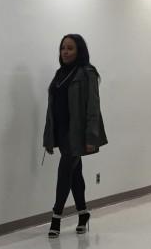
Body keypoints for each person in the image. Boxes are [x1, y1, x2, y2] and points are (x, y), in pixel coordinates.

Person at [42, 34, 107, 237]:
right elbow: (52, 108)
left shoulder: (87, 73)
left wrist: (91, 137)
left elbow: (93, 107)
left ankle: (56, 216)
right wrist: (49, 136)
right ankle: (83, 213)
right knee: (74, 172)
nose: (66, 52)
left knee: (65, 170)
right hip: (61, 132)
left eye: (70, 48)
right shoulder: (59, 74)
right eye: (63, 48)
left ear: (79, 50)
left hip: (77, 134)